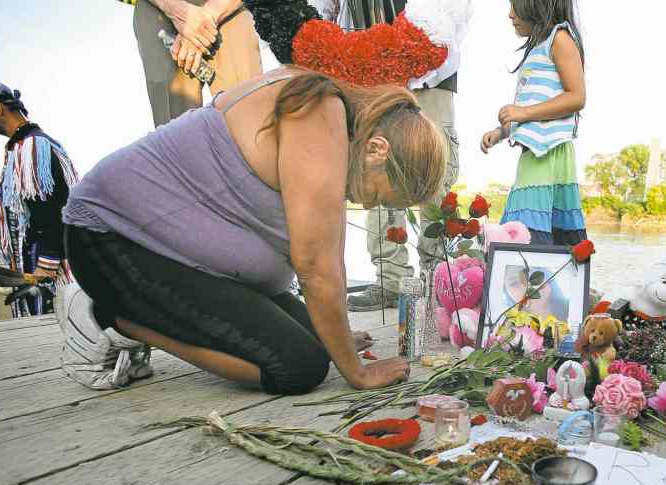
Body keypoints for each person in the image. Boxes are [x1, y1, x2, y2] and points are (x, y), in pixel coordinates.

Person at [62, 67, 447, 394]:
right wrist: (357, 371)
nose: (369, 205)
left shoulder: (332, 119)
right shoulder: (318, 112)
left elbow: (323, 261)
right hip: (111, 240)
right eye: (380, 195)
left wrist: (339, 339)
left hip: (172, 255)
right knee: (298, 367)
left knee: (319, 338)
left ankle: (128, 312)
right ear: (378, 149)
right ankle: (108, 316)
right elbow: (316, 265)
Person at [343, 0, 467, 312]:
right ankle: (390, 281)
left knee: (433, 177)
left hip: (430, 75)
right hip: (372, 76)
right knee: (379, 174)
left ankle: (439, 279)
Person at [0, 80, 78, 317]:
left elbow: (51, 212)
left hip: (48, 268)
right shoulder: (25, 146)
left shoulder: (32, 148)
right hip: (36, 262)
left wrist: (43, 271)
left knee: (48, 335)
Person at [481, 0, 587, 247]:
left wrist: (523, 112)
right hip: (535, 152)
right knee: (529, 229)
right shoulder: (537, 48)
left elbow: (577, 96)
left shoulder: (559, 39)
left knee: (525, 231)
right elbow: (530, 111)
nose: (510, 15)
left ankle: (529, 281)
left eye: (515, 6)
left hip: (549, 152)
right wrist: (501, 132)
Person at [123, 0, 263, 126]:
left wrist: (205, 18)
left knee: (247, 117)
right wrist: (174, 8)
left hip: (230, 7)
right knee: (176, 130)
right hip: (158, 7)